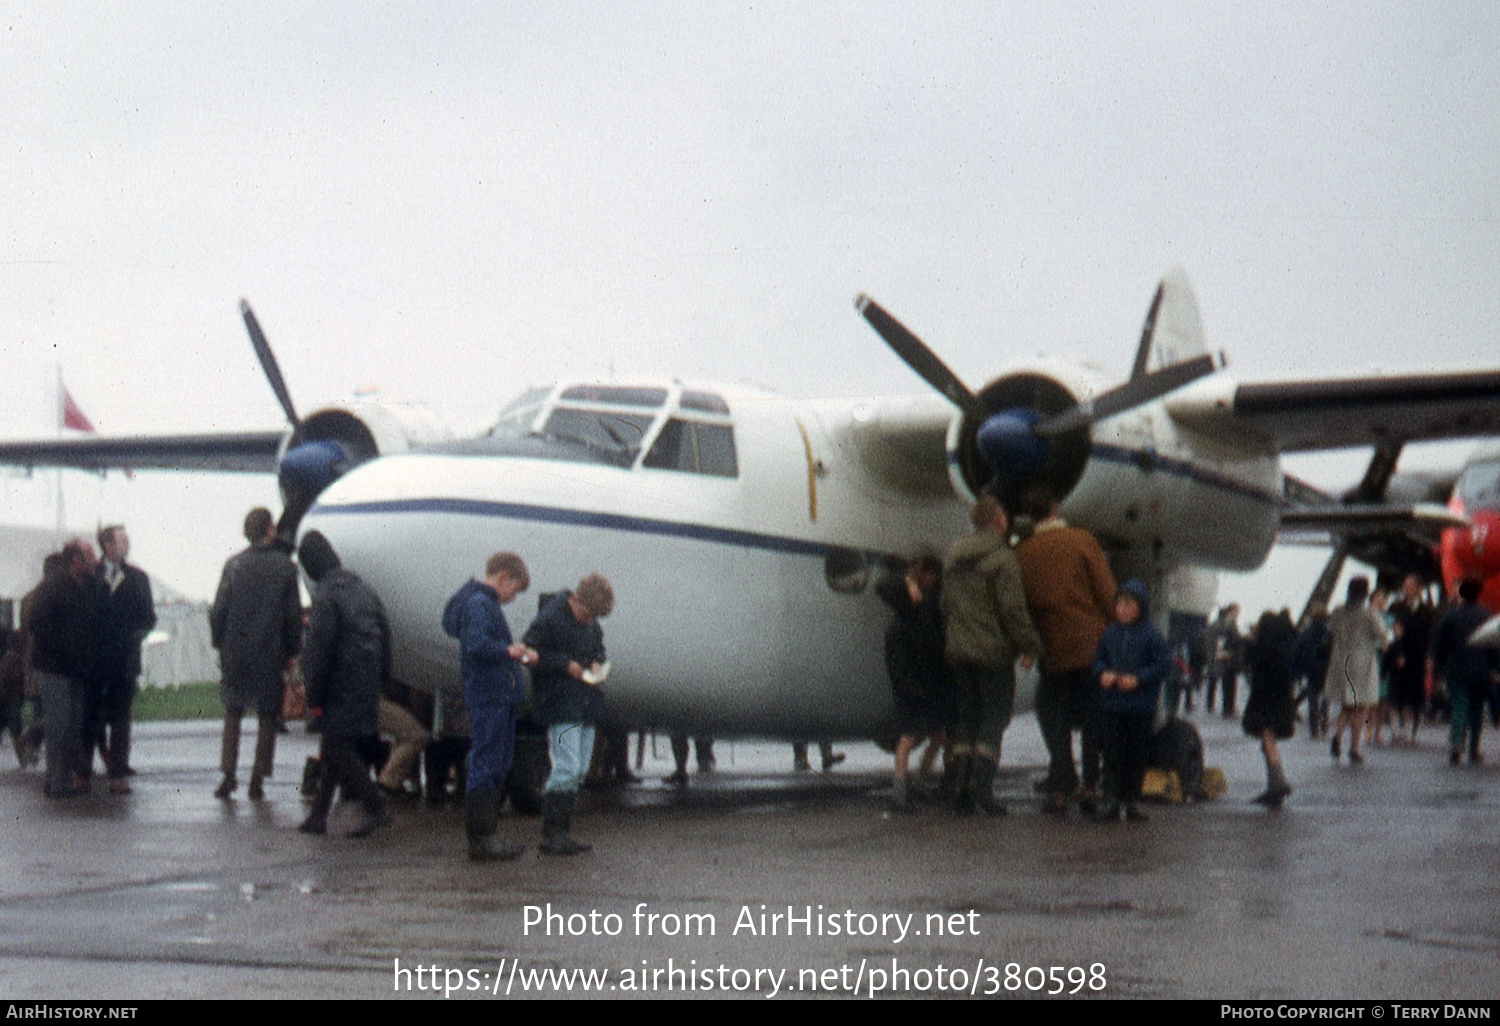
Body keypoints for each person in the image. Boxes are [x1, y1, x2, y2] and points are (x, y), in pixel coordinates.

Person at [1014, 485, 1116, 816]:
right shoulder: (1082, 540)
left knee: (1052, 716)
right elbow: (1106, 591)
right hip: (1090, 646)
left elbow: (1022, 606)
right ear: (1055, 507)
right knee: (1092, 718)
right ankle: (1090, 783)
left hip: (1052, 651)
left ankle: (1060, 782)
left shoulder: (1023, 552)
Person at [940, 495, 1041, 817]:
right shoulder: (1002, 559)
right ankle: (982, 788)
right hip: (992, 654)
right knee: (992, 721)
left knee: (966, 719)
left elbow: (945, 606)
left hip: (959, 652)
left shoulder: (953, 559)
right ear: (1000, 521)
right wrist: (1030, 645)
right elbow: (1012, 611)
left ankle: (960, 789)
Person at [296, 531, 392, 837]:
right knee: (335, 745)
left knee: (338, 747)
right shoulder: (366, 591)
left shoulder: (325, 597)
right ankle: (318, 817)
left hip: (339, 685)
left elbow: (318, 655)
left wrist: (314, 698)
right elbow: (386, 639)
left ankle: (377, 807)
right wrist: (382, 680)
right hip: (367, 681)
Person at [446, 552, 536, 861]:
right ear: (503, 577)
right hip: (490, 696)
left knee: (493, 761)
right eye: (515, 589)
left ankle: (485, 836)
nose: (513, 597)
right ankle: (481, 839)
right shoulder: (481, 605)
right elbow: (477, 645)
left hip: (493, 695)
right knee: (488, 762)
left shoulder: (479, 603)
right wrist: (509, 650)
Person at [209, 507, 302, 800]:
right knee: (267, 716)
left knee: (233, 713)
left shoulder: (232, 565)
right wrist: (292, 651)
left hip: (235, 651)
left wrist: (220, 643)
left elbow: (219, 610)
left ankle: (227, 774)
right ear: (269, 530)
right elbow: (292, 616)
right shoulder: (286, 567)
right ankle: (257, 779)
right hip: (269, 652)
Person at [524, 573, 613, 856]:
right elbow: (529, 653)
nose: (589, 621)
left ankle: (561, 832)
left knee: (579, 769)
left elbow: (599, 649)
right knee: (567, 767)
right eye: (587, 614)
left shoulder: (590, 623)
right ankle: (552, 835)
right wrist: (564, 664)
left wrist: (598, 664)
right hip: (561, 706)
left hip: (584, 704)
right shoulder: (549, 620)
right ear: (575, 599)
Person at [1091, 579, 1170, 823]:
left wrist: (1139, 679)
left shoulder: (1151, 635)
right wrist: (1102, 672)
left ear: (1141, 607)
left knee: (1136, 755)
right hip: (1112, 704)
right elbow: (1098, 659)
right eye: (1120, 604)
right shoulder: (1110, 633)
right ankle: (1112, 800)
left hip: (1139, 707)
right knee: (1112, 753)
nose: (1123, 610)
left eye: (1128, 604)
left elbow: (1164, 665)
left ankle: (1132, 800)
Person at [876, 554, 950, 810]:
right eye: (912, 585)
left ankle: (916, 781)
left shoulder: (913, 620)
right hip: (914, 691)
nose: (917, 587)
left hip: (921, 689)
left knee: (935, 735)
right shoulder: (903, 627)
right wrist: (913, 687)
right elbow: (900, 667)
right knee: (908, 738)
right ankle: (901, 789)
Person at [25, 540, 98, 798]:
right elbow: (35, 621)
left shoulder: (83, 586)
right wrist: (61, 648)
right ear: (75, 560)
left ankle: (58, 780)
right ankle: (57, 784)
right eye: (90, 556)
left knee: (71, 726)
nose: (95, 560)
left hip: (74, 670)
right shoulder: (54, 586)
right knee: (59, 726)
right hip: (54, 669)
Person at [90, 525, 156, 792]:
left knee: (120, 718)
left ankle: (117, 771)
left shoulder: (138, 578)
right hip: (94, 661)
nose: (127, 544)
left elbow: (149, 618)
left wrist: (134, 637)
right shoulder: (91, 576)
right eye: (122, 540)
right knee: (91, 715)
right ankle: (83, 771)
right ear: (107, 545)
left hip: (125, 660)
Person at [1433, 578, 1499, 767]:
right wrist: (1495, 668)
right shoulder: (1485, 616)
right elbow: (1493, 644)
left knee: (1458, 706)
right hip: (1481, 669)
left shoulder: (1450, 616)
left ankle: (1456, 742)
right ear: (1478, 594)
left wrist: (1440, 665)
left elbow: (1440, 644)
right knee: (1477, 709)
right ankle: (1473, 749)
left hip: (1456, 668)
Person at [1324, 576, 1387, 765]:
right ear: (1366, 592)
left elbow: (1331, 631)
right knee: (1360, 706)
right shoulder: (1369, 613)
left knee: (1346, 704)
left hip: (1341, 660)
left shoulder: (1338, 611)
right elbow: (1382, 636)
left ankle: (1337, 734)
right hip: (1362, 661)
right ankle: (1353, 748)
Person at [1241, 608, 1298, 807]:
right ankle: (1276, 784)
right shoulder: (1281, 651)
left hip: (1263, 703)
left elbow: (1248, 664)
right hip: (1280, 702)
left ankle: (1277, 782)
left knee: (1267, 741)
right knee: (1269, 741)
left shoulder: (1260, 648)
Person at [1387, 575, 1434, 746]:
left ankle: (1410, 728)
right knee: (1396, 691)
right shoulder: (1396, 607)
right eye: (1405, 585)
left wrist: (1429, 656)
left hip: (1417, 655)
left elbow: (1430, 634)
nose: (1406, 588)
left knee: (1415, 694)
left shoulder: (1427, 610)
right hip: (1399, 653)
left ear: (1418, 588)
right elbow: (1391, 632)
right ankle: (1397, 727)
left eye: (1410, 585)